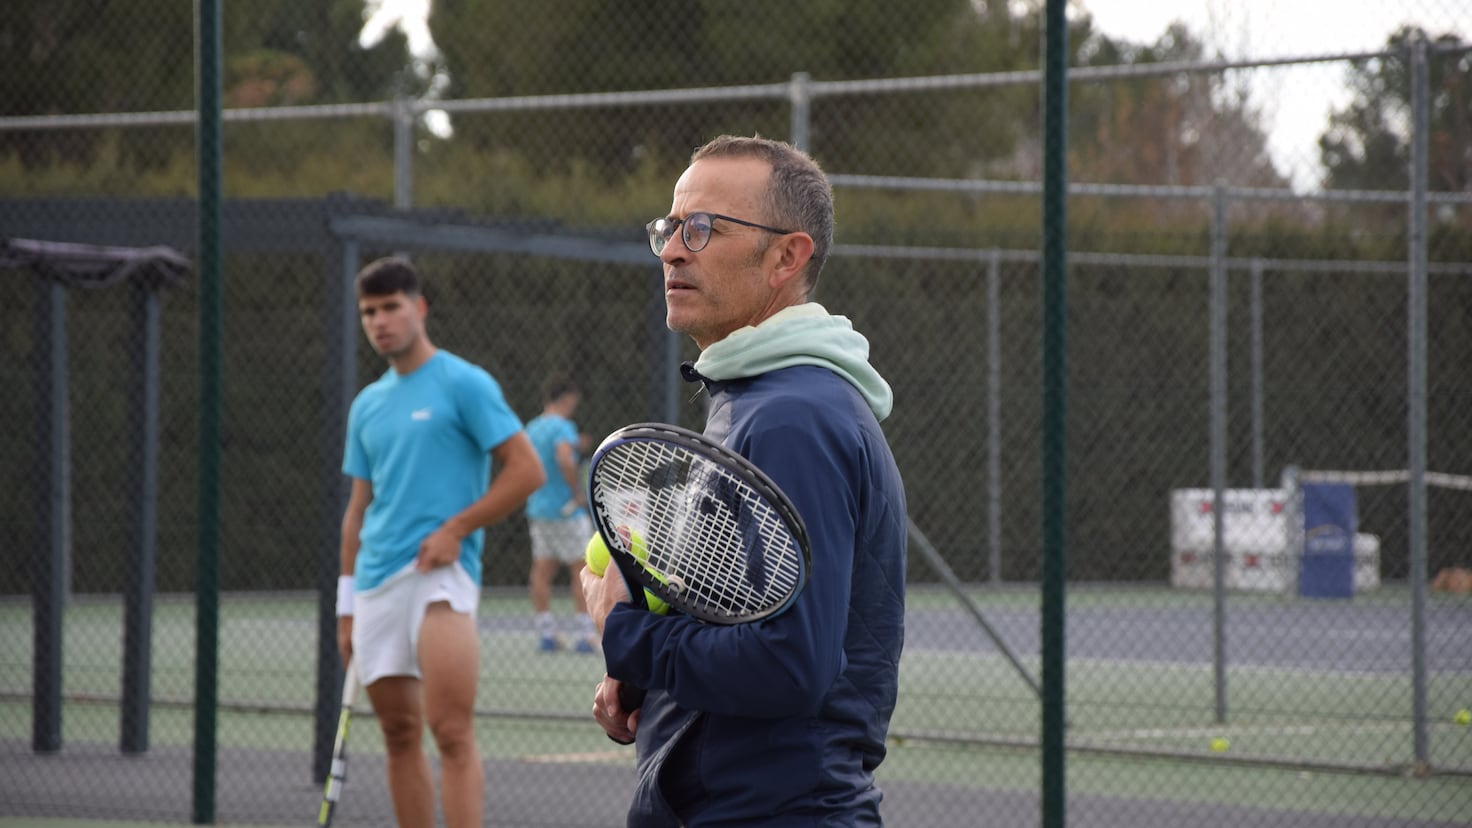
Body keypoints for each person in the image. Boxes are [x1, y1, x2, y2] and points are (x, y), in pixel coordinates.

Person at [580, 135, 908, 826]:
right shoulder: (754, 400)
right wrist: (642, 678)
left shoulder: (793, 418)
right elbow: (742, 619)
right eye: (670, 228)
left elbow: (792, 666)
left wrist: (624, 630)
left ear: (787, 257)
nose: (672, 249)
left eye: (703, 229)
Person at [337, 257, 544, 828]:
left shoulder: (464, 383)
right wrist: (346, 607)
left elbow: (526, 470)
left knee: (450, 732)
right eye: (369, 312)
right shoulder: (367, 406)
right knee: (399, 736)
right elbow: (357, 512)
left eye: (391, 307)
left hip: (440, 579)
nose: (380, 321)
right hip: (375, 585)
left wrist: (456, 529)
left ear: (419, 308)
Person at [523, 372, 597, 653]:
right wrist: (576, 492)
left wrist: (576, 444)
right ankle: (584, 635)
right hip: (566, 512)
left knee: (542, 570)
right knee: (581, 570)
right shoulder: (563, 427)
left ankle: (546, 632)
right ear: (566, 400)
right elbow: (563, 458)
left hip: (539, 509)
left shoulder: (532, 428)